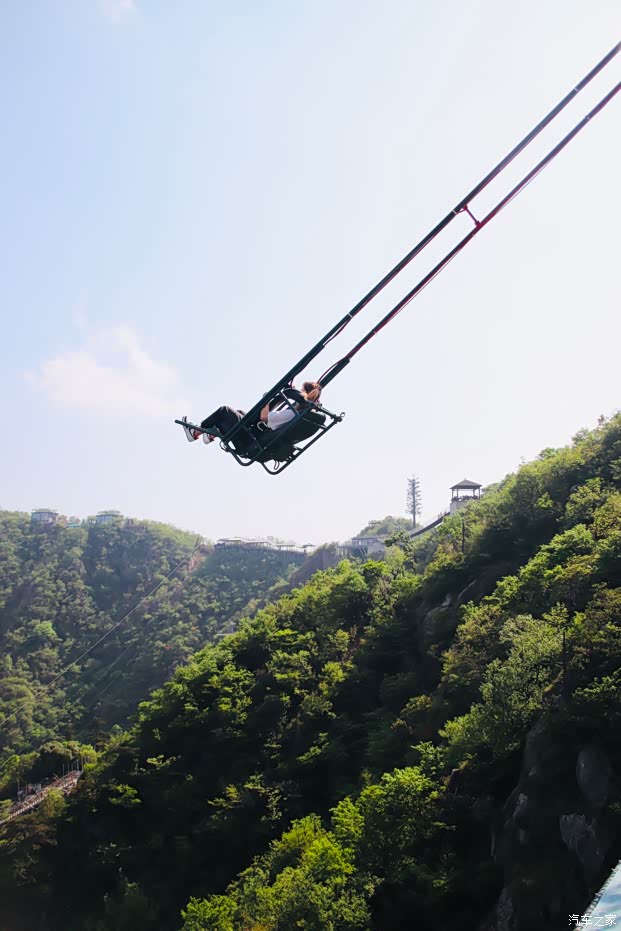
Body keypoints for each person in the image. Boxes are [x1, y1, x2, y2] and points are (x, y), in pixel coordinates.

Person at [180, 381, 322, 450]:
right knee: (241, 412)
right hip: (256, 436)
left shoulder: (291, 413)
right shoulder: (301, 415)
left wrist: (267, 400)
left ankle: (195, 432)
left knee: (225, 410)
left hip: (250, 438)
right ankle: (211, 434)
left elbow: (264, 418)